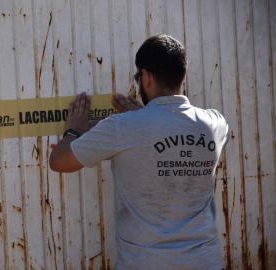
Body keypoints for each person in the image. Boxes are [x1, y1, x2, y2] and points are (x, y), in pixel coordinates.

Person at [49, 34, 228, 270]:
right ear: (183, 75)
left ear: (146, 76)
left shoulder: (123, 127)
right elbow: (169, 129)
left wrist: (73, 129)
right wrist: (145, 115)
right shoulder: (216, 123)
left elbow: (59, 161)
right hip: (206, 262)